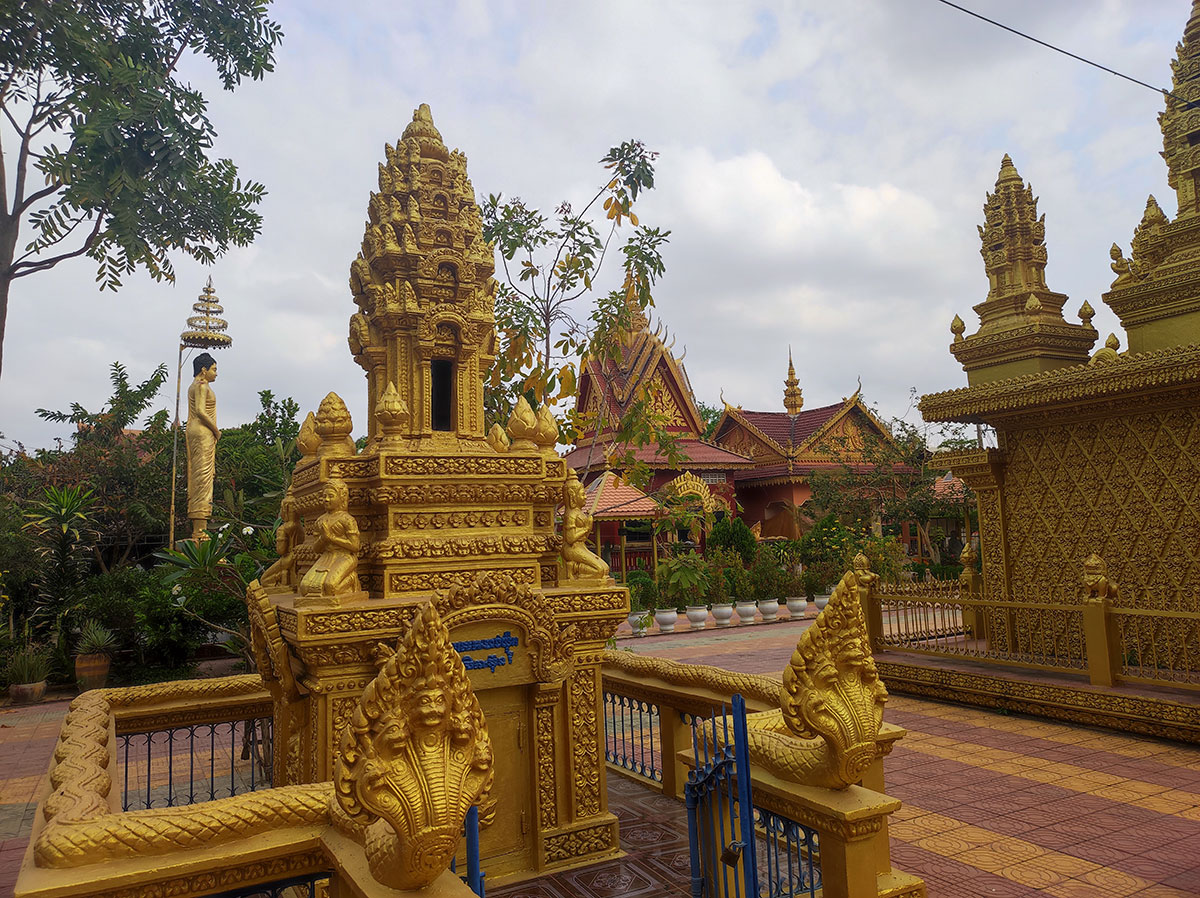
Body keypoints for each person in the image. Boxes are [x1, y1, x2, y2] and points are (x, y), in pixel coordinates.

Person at [186, 352, 219, 540]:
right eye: (214, 369)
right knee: (201, 479)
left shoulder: (198, 386)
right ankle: (199, 530)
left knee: (204, 477)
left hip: (199, 432)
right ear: (204, 370)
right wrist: (216, 430)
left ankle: (201, 528)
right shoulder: (200, 385)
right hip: (202, 432)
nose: (216, 373)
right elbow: (199, 410)